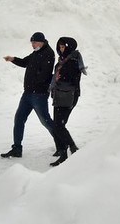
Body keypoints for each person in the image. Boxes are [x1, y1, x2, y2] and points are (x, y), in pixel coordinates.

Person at [1, 32, 56, 159]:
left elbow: (45, 75)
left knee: (45, 121)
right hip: (27, 94)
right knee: (19, 119)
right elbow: (26, 62)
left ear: (41, 41)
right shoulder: (36, 52)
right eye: (32, 42)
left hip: (39, 95)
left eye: (35, 42)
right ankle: (17, 149)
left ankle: (61, 142)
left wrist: (34, 80)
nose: (33, 44)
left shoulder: (48, 53)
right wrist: (13, 59)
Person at [49, 36, 82, 167]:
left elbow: (74, 78)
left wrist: (61, 75)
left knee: (59, 125)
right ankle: (63, 153)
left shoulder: (74, 60)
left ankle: (72, 148)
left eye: (63, 47)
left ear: (69, 47)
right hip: (59, 95)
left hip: (69, 96)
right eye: (60, 47)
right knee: (57, 125)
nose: (61, 49)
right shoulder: (62, 60)